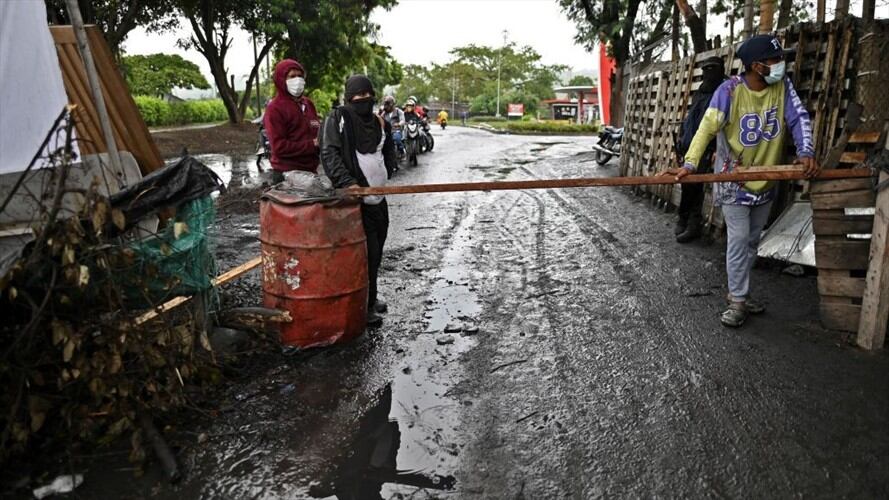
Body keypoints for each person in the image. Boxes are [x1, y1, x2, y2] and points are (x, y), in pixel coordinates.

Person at [660, 34, 818, 328]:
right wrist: (691, 163)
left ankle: (740, 292)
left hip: (766, 179)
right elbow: (707, 129)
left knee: (752, 242)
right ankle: (737, 301)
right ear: (757, 66)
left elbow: (798, 118)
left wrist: (806, 151)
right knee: (739, 239)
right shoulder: (729, 91)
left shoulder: (782, 87)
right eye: (774, 61)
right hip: (733, 180)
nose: (780, 65)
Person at [320, 75, 397, 327]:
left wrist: (389, 168)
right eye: (357, 96)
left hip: (379, 199)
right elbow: (329, 152)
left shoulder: (379, 123)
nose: (363, 100)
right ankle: (361, 307)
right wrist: (347, 183)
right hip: (356, 202)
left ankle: (371, 298)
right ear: (348, 97)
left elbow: (387, 152)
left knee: (377, 253)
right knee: (363, 255)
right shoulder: (338, 119)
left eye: (367, 95)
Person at [673, 56, 727, 243]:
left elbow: (717, 123)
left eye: (712, 69)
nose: (707, 73)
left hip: (707, 146)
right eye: (705, 69)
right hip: (690, 145)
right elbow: (692, 117)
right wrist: (682, 139)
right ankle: (684, 218)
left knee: (696, 186)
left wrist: (713, 149)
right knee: (687, 184)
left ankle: (693, 224)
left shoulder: (724, 91)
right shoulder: (701, 91)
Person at [264, 59, 321, 182]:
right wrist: (312, 144)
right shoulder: (275, 108)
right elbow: (279, 147)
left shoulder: (308, 104)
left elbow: (317, 133)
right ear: (281, 80)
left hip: (310, 171)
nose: (298, 80)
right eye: (292, 76)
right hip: (287, 174)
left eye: (300, 76)